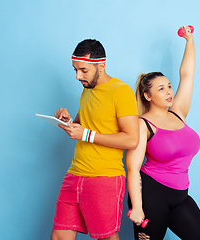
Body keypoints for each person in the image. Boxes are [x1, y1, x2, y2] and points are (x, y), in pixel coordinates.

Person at [126, 27, 200, 240]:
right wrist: (137, 207)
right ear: (147, 95)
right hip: (151, 197)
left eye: (169, 86)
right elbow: (133, 168)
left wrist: (189, 40)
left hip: (180, 196)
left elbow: (187, 75)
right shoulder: (143, 124)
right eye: (161, 89)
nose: (169, 92)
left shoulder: (178, 113)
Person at [51, 39, 139, 240]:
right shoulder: (87, 90)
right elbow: (82, 126)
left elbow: (131, 139)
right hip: (74, 174)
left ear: (101, 65)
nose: (77, 76)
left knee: (106, 237)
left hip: (104, 178)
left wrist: (85, 134)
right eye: (75, 70)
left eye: (83, 70)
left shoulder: (121, 91)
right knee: (59, 236)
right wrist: (66, 121)